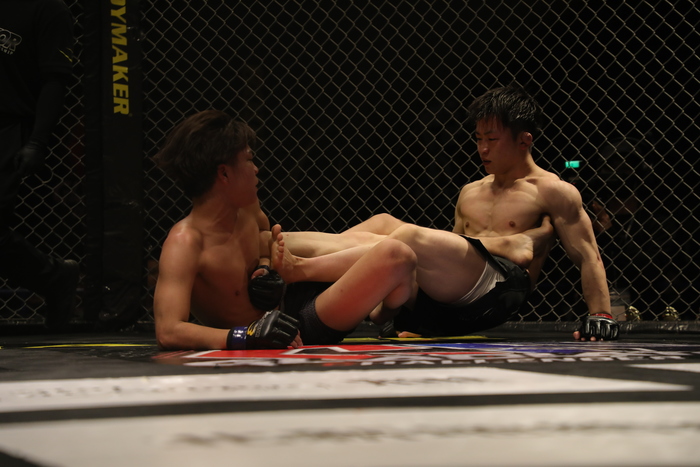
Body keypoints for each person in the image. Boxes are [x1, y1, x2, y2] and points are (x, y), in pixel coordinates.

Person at [283, 84, 617, 342]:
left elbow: (588, 255)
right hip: (457, 297)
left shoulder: (552, 190)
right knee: (384, 224)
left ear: (524, 140)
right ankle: (278, 244)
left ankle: (302, 269)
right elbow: (451, 256)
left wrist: (601, 313)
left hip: (500, 291)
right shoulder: (471, 191)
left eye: (492, 139)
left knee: (409, 237)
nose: (482, 148)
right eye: (478, 138)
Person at [152, 110, 420, 350]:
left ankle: (388, 308)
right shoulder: (186, 242)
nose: (256, 169)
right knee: (397, 254)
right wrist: (246, 335)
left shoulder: (247, 208)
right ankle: (390, 313)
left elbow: (264, 240)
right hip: (297, 327)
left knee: (383, 224)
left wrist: (265, 267)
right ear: (224, 174)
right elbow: (168, 330)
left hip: (294, 289)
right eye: (248, 160)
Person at [0, 0, 78, 329]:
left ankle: (54, 277)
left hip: (8, 123)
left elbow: (54, 79)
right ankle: (55, 277)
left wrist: (37, 141)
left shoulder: (47, 9)